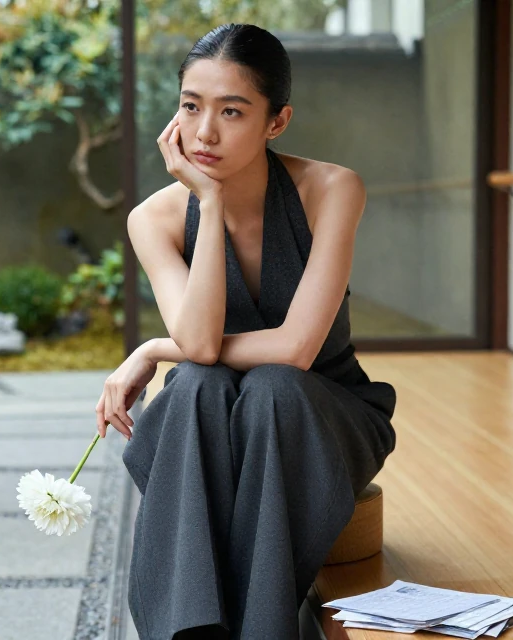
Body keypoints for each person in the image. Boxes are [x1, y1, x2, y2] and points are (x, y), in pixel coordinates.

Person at [95, 23, 398, 640]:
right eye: (190, 107)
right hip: (214, 417)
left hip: (324, 410)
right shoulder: (153, 218)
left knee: (272, 388)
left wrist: (153, 346)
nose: (204, 133)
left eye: (232, 111)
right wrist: (207, 204)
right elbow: (201, 348)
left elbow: (295, 350)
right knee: (197, 386)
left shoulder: (330, 190)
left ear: (276, 121)